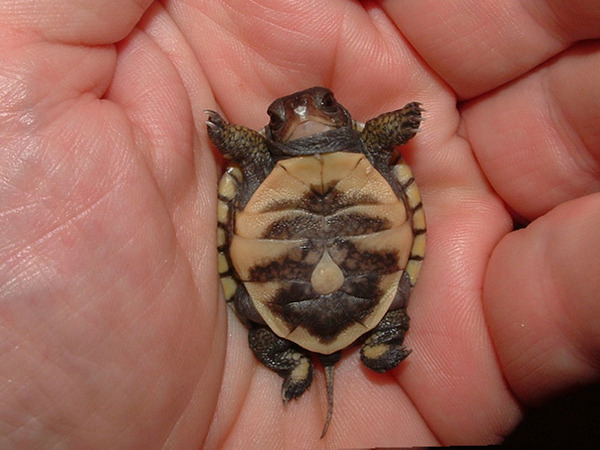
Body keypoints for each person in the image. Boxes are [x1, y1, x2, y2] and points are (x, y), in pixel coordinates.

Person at [1, 1, 598, 447]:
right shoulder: (297, 152)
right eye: (281, 115)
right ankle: (325, 354)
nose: (301, 113)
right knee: (354, 315)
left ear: (341, 115)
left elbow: (334, 141)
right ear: (269, 132)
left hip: (295, 271)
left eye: (320, 106)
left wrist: (396, 122)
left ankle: (337, 352)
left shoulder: (273, 158)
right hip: (355, 260)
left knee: (326, 320)